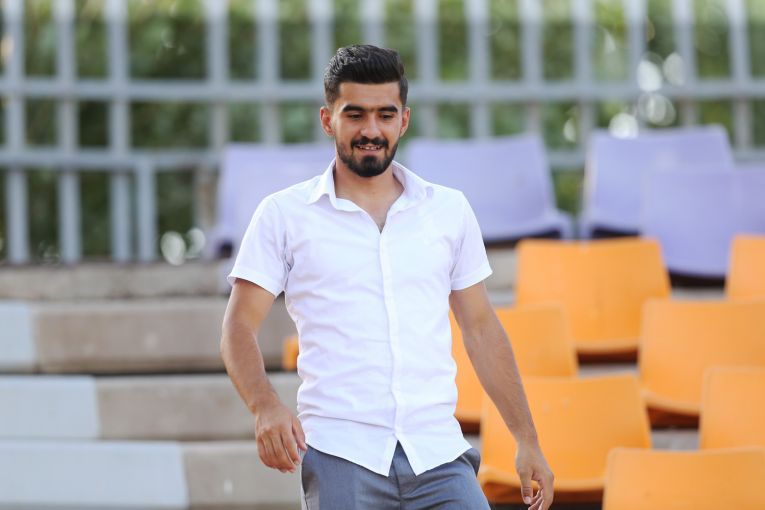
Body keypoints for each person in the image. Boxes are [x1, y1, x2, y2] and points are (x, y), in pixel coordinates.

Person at [220, 44, 554, 510]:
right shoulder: (283, 215)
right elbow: (238, 326)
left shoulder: (448, 210)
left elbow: (480, 328)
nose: (371, 130)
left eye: (385, 114)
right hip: (342, 452)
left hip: (437, 452)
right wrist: (265, 406)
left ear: (404, 120)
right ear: (327, 120)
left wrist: (527, 438)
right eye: (355, 114)